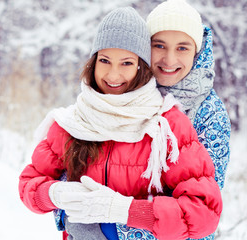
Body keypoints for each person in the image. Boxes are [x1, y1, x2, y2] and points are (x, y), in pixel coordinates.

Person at [18, 7, 222, 240]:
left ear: (141, 67)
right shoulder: (72, 122)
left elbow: (203, 213)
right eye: (105, 60)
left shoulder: (167, 125)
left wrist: (125, 210)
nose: (113, 75)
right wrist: (55, 194)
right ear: (93, 62)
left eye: (126, 63)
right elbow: (29, 183)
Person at [115, 1, 232, 240]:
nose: (169, 59)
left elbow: (200, 208)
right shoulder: (123, 93)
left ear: (197, 52)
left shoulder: (209, 112)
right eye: (159, 45)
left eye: (182, 48)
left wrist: (116, 224)